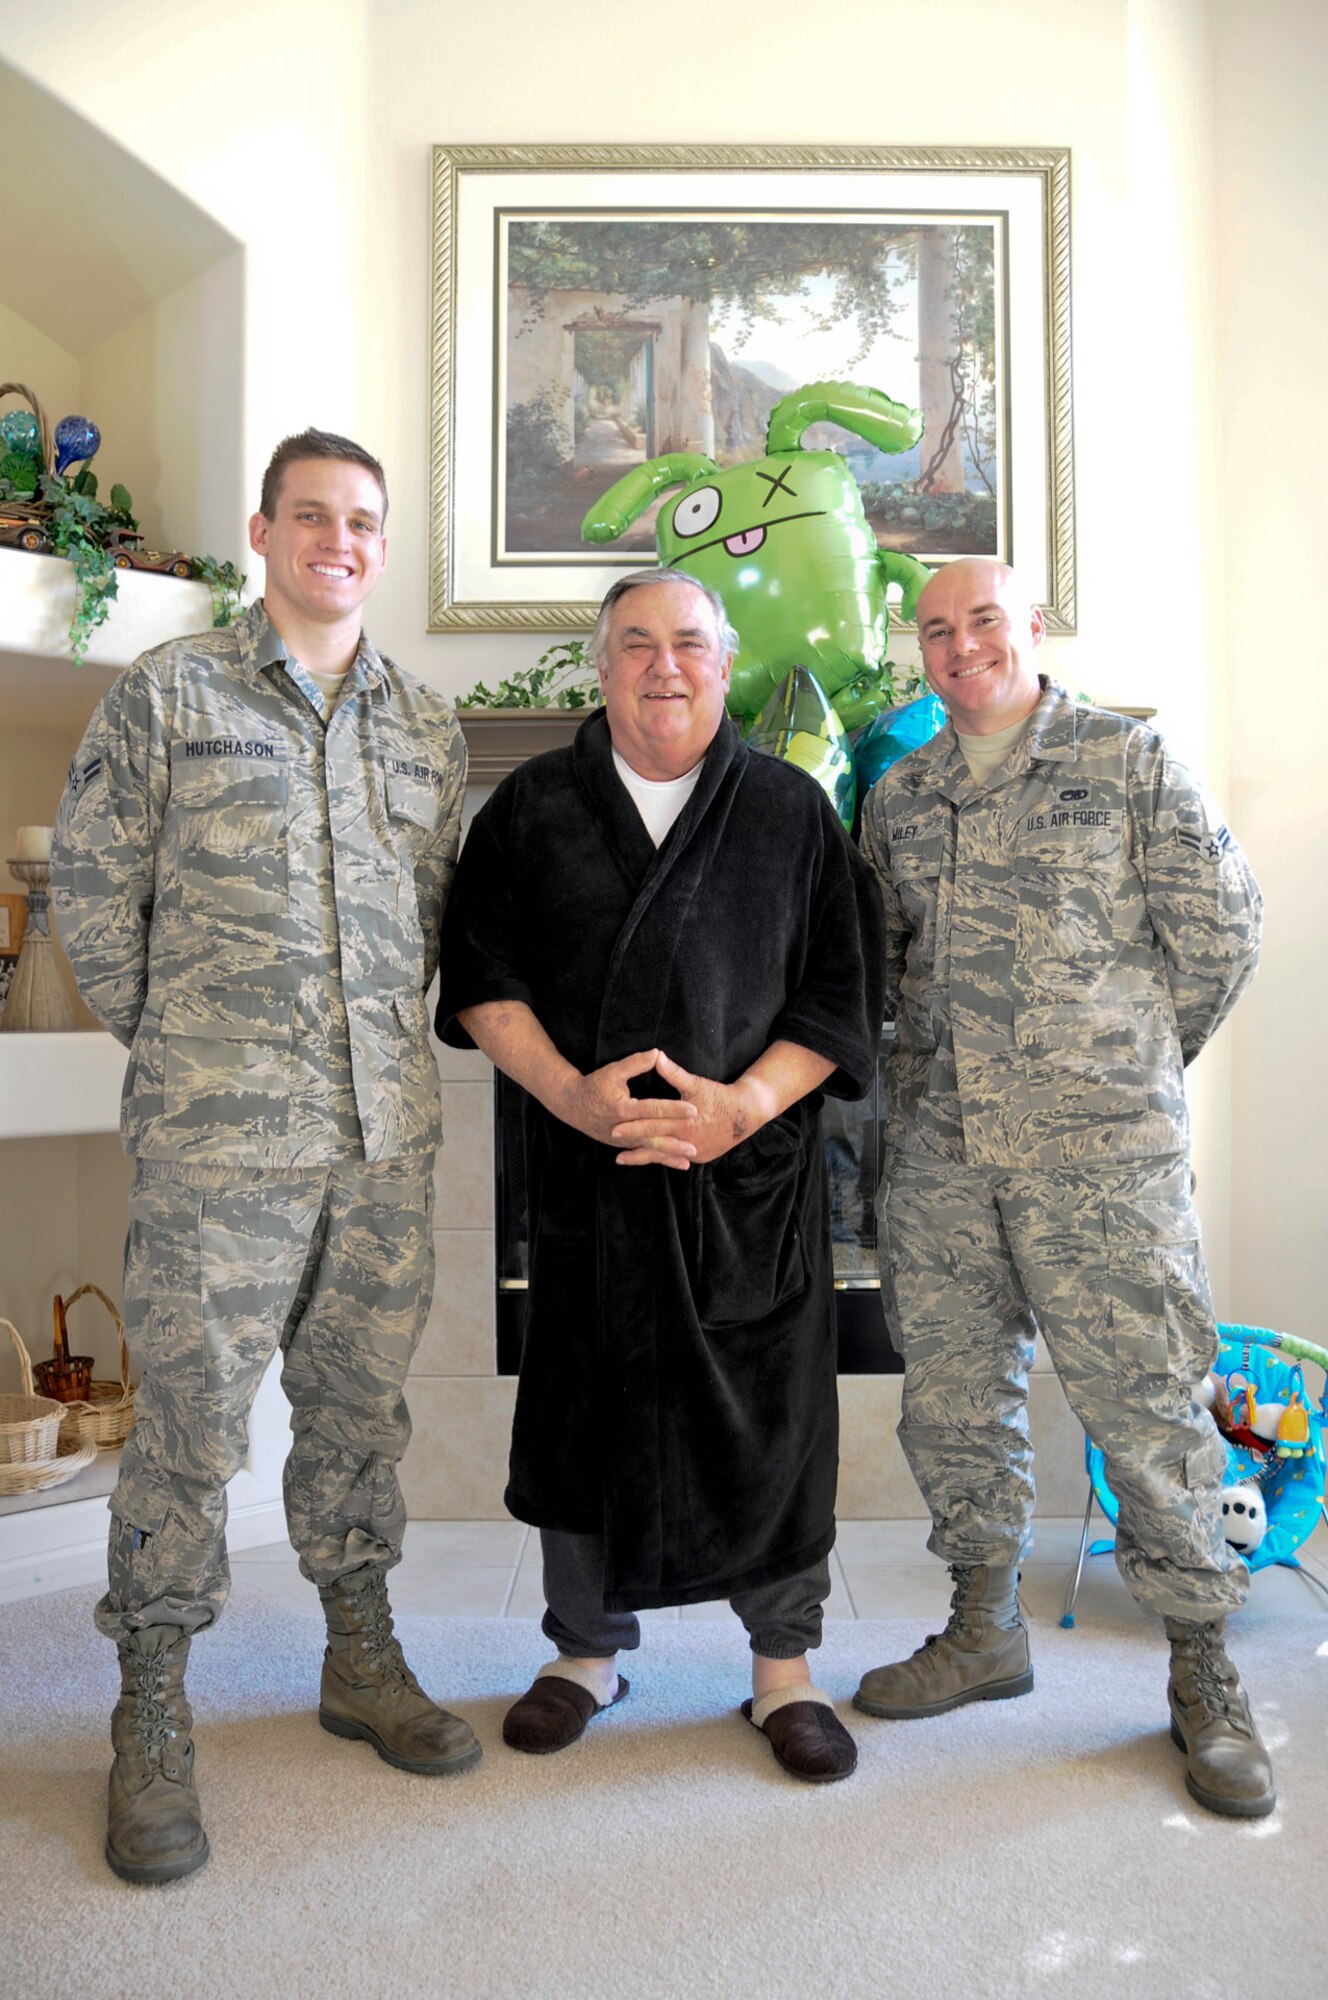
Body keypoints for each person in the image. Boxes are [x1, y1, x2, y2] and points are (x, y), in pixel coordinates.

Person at [52, 429, 478, 1886]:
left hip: (380, 1149)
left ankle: (357, 1654)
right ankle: (151, 1707)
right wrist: (190, 1056)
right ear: (262, 530)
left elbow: (427, 925)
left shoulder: (427, 730)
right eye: (314, 515)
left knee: (357, 1412)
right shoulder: (170, 696)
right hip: (217, 1153)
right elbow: (96, 901)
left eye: (363, 521)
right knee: (188, 1427)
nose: (340, 541)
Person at [434, 568, 883, 1783]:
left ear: (723, 662)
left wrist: (744, 1105)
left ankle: (783, 1671)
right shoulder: (528, 809)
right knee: (579, 1401)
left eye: (688, 641)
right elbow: (478, 979)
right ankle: (584, 1651)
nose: (663, 665)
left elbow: (841, 997)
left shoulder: (791, 811)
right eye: (635, 643)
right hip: (590, 1179)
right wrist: (569, 1094)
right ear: (601, 664)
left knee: (771, 1419)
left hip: (750, 1184)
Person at [855, 556, 1272, 1818]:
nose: (960, 645)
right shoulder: (899, 798)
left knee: (1145, 1409)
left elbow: (1223, 933)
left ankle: (1201, 1674)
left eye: (983, 620)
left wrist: (1121, 1068)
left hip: (1102, 1160)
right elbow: (883, 978)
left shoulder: (1124, 762)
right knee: (952, 1403)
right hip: (940, 1158)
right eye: (934, 629)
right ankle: (984, 1628)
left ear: (1030, 629)